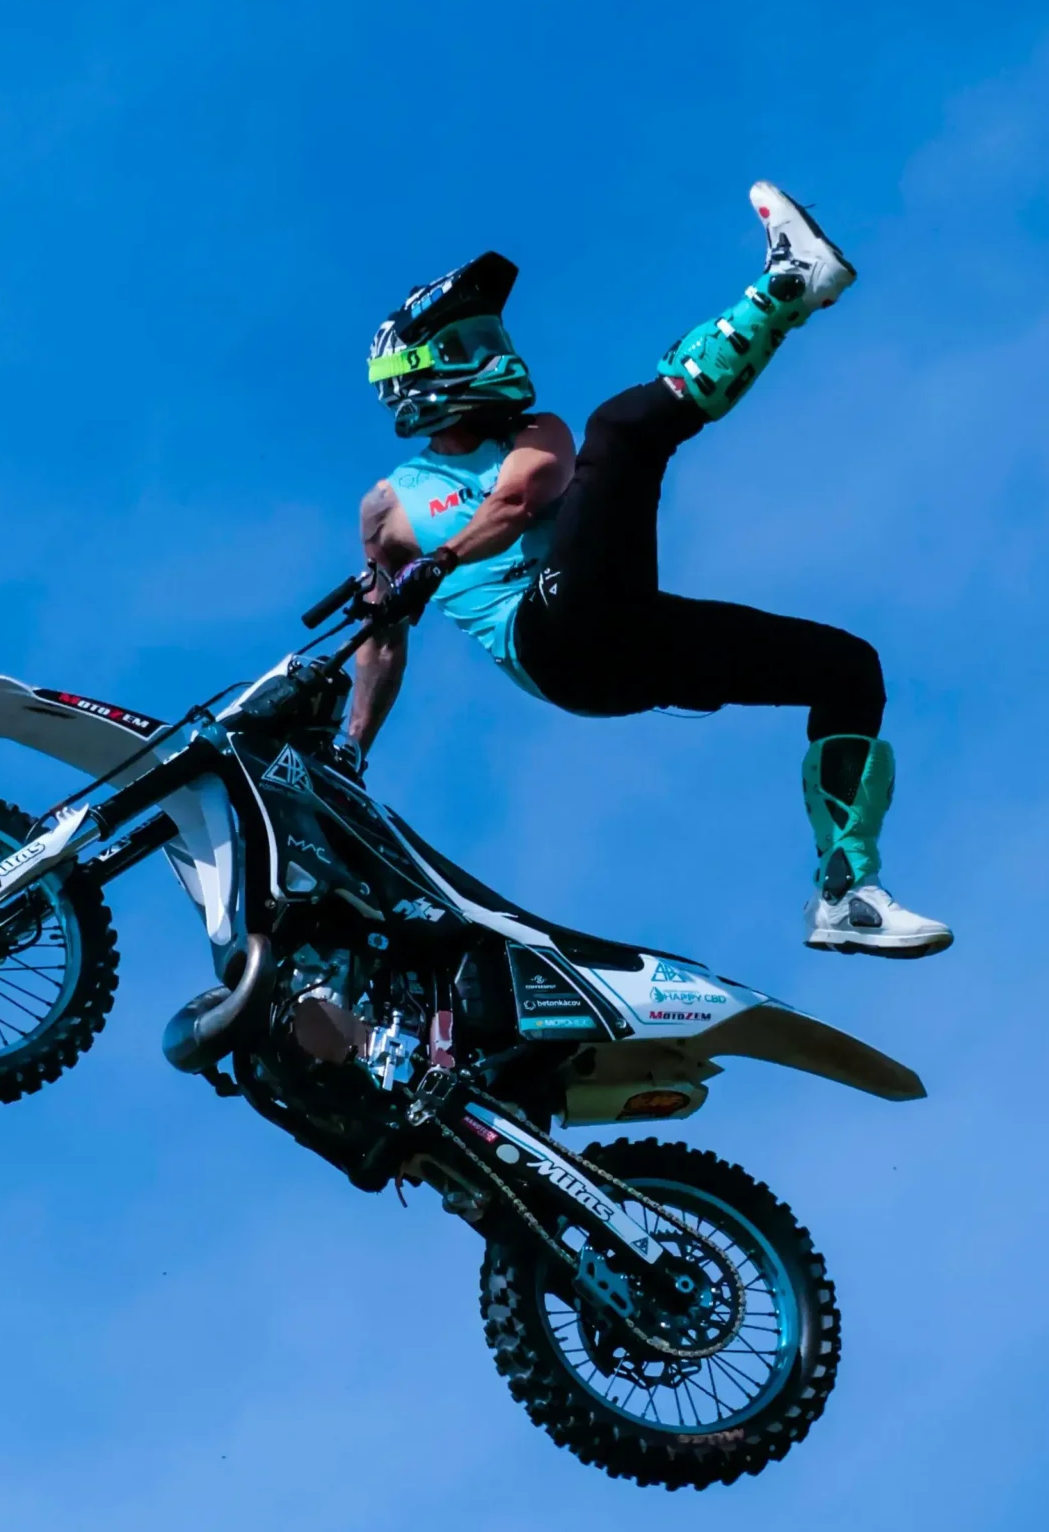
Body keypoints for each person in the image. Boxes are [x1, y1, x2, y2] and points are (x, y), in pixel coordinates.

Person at [342, 184, 952, 958]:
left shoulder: (536, 432)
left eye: (493, 337)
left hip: (621, 632)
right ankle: (788, 286)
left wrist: (441, 560)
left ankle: (845, 894)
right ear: (420, 374)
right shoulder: (388, 508)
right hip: (551, 643)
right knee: (621, 429)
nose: (496, 356)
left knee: (847, 667)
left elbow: (521, 500)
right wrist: (353, 747)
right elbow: (382, 637)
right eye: (470, 346)